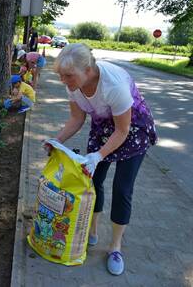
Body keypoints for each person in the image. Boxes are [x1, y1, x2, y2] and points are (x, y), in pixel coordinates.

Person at [49, 43, 157, 276]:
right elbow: (76, 119)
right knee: (93, 181)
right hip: (103, 128)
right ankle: (92, 231)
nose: (63, 81)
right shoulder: (74, 85)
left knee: (122, 188)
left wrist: (98, 155)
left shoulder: (113, 84)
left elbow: (122, 130)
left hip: (132, 129)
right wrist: (56, 141)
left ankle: (115, 247)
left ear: (88, 70)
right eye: (61, 75)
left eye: (68, 75)